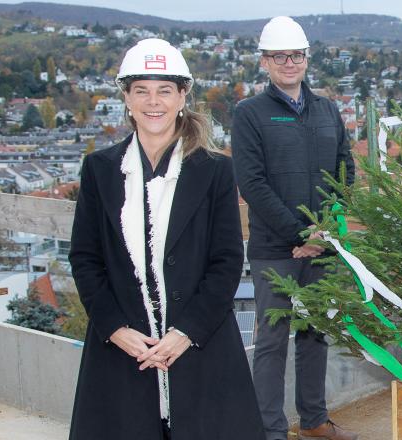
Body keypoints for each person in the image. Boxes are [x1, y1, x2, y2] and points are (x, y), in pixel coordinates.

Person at [68, 38, 264, 440]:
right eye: (141, 90)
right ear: (126, 97)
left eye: (164, 90)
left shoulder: (214, 172)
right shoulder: (100, 170)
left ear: (182, 96)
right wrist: (115, 329)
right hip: (124, 352)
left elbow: (226, 261)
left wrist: (185, 332)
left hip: (200, 347)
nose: (152, 102)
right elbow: (85, 258)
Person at [232, 16, 358, 440]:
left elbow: (347, 171)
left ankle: (314, 420)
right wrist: (299, 235)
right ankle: (269, 430)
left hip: (323, 247)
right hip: (275, 251)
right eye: (280, 56)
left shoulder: (326, 110)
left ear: (307, 58)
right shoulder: (250, 114)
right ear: (265, 62)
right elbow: (252, 183)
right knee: (270, 343)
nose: (290, 63)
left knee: (316, 334)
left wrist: (324, 233)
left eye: (297, 55)